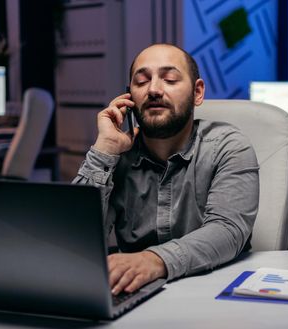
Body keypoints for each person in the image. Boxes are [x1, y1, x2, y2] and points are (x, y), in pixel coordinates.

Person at [73, 43, 259, 295]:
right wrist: (104, 150)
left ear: (198, 92)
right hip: (132, 293)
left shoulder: (228, 146)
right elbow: (74, 241)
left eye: (170, 79)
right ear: (129, 97)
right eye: (141, 81)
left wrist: (152, 260)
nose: (153, 90)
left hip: (213, 292)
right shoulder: (117, 155)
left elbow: (227, 231)